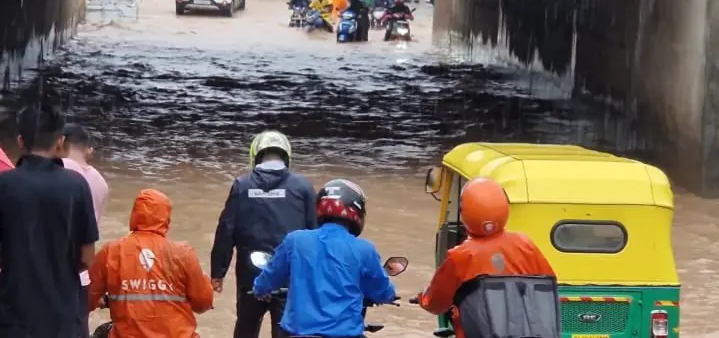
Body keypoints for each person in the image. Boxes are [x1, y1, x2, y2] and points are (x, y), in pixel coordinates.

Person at [0, 104, 99, 338]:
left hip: (13, 317)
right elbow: (87, 258)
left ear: (21, 141)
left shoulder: (4, 186)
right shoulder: (77, 185)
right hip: (63, 317)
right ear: (59, 142)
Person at [253, 179, 397, 337]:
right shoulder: (364, 249)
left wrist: (260, 290)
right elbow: (382, 290)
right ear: (357, 211)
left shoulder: (294, 240)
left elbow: (267, 278)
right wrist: (388, 295)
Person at [415, 177, 555, 338]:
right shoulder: (525, 244)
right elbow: (546, 286)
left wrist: (422, 297)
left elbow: (436, 302)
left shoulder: (461, 255)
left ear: (464, 211)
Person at [210, 130, 316, 338]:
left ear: (255, 155)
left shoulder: (242, 186)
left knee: (246, 330)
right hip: (290, 278)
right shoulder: (303, 188)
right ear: (287, 156)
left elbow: (225, 231)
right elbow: (316, 235)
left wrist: (218, 273)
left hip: (251, 277)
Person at [88, 189, 214, 338]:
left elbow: (86, 299)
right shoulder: (183, 253)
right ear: (166, 218)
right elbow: (203, 303)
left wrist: (106, 300)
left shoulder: (111, 251)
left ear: (134, 215)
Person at [62, 123, 109, 338]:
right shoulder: (100, 182)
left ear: (61, 142)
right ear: (87, 148)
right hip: (82, 274)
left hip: (51, 271)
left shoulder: (59, 169)